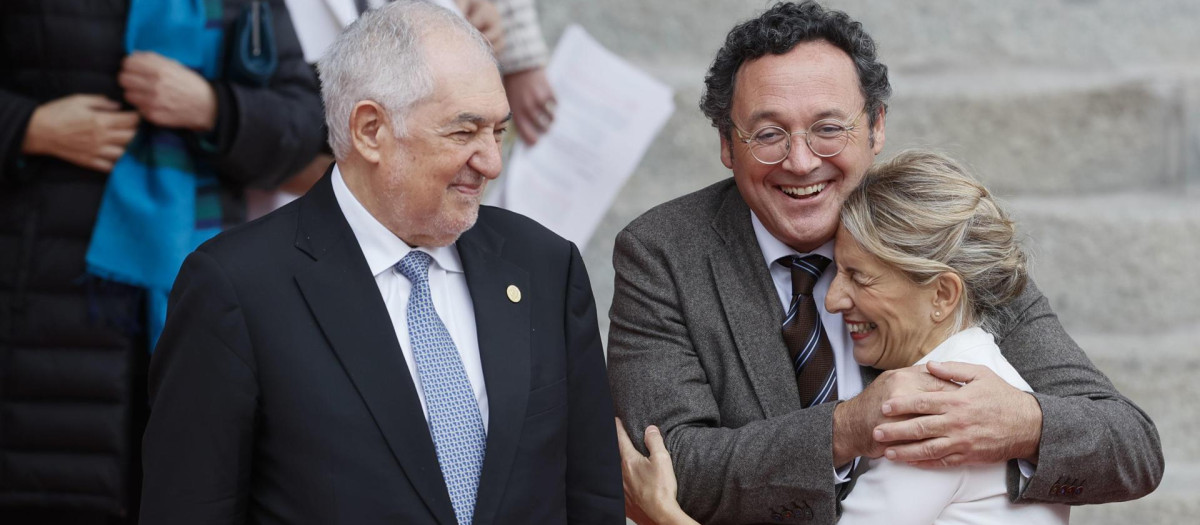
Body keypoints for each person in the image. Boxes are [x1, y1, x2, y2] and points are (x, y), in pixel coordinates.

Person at [605, 1, 1162, 523]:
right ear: (728, 144)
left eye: (828, 129)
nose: (800, 162)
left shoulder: (933, 234)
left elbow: (1131, 447)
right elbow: (662, 466)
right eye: (769, 134)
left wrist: (1023, 424)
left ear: (876, 127)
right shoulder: (663, 252)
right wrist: (845, 430)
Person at [139, 2, 623, 524]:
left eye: (498, 132)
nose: (491, 162)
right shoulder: (235, 288)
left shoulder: (546, 267)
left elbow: (591, 495)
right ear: (370, 130)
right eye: (464, 132)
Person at [616, 151, 1076, 525]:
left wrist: (663, 515)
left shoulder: (943, 409)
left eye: (859, 277)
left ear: (943, 294)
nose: (832, 299)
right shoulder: (984, 373)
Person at [0, 0, 324, 522]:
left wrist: (214, 108)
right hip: (43, 308)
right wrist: (31, 127)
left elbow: (306, 122)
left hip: (201, 301)